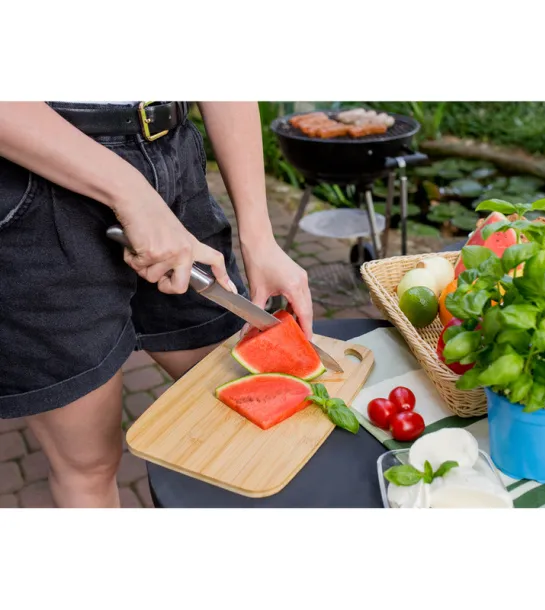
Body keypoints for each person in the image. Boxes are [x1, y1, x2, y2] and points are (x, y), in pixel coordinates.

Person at [0, 101, 313, 508]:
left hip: (173, 158)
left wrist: (260, 236)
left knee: (239, 406)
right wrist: (130, 192)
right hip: (39, 174)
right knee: (88, 465)